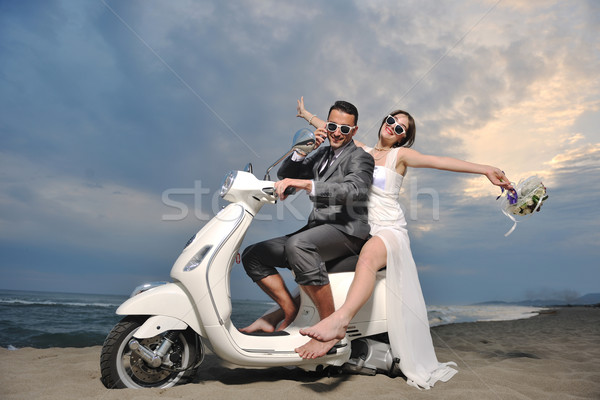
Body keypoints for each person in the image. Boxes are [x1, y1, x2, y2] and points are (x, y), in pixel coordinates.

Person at [291, 97, 514, 388]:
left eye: (400, 128)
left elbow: (442, 162)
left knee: (369, 257)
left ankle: (341, 322)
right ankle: (287, 320)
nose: (393, 127)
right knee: (320, 256)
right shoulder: (361, 151)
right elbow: (335, 128)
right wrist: (307, 115)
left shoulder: (402, 157)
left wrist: (485, 168)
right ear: (383, 122)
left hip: (390, 231)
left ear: (404, 138)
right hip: (364, 229)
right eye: (391, 121)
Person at [241, 100, 375, 358]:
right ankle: (289, 310)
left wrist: (306, 185)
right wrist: (302, 151)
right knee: (253, 255)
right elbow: (286, 175)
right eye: (333, 126)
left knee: (298, 245)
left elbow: (354, 190)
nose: (337, 133)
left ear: (354, 131)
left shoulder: (360, 157)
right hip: (317, 228)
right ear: (328, 124)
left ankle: (330, 328)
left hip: (347, 232)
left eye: (344, 129)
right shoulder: (322, 153)